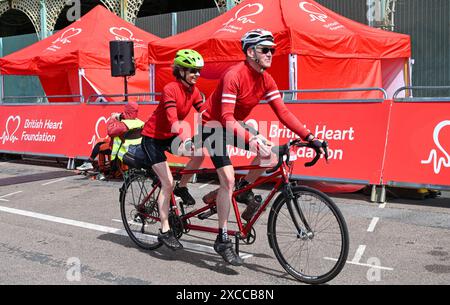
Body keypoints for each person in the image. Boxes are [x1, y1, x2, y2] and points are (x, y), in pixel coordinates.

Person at [194, 29, 325, 266]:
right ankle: (222, 239)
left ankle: (242, 190)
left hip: (232, 125)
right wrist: (253, 141)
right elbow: (225, 117)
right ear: (250, 51)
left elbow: (283, 112)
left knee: (271, 158)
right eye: (265, 49)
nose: (271, 53)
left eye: (272, 50)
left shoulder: (266, 78)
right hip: (211, 126)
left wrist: (311, 136)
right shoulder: (234, 75)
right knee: (227, 179)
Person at [141, 49, 205, 251]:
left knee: (200, 153)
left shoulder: (194, 91)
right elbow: (172, 120)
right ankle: (164, 230)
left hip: (169, 137)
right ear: (181, 71)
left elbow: (205, 111)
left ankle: (183, 187)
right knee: (167, 183)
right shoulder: (170, 88)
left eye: (198, 70)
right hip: (152, 139)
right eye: (192, 70)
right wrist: (185, 139)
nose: (197, 74)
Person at [77, 101, 144, 180]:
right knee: (102, 142)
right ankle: (91, 164)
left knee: (99, 146)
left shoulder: (123, 125)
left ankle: (97, 167)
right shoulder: (140, 122)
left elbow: (110, 132)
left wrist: (112, 119)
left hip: (121, 149)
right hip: (135, 148)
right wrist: (120, 115)